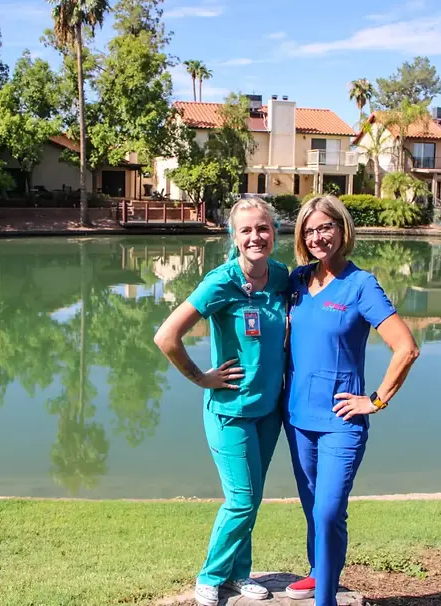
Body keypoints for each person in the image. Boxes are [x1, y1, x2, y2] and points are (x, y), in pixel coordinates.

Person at [282, 195, 420, 605]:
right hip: (296, 417)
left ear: (343, 230)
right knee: (312, 507)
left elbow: (406, 348)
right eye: (309, 230)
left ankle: (326, 598)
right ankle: (317, 571)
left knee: (328, 511)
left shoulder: (361, 285)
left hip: (341, 420)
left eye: (325, 227)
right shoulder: (296, 280)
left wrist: (375, 400)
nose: (317, 236)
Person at [153, 198, 288, 606]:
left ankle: (238, 574)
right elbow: (166, 337)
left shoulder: (281, 277)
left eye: (262, 228)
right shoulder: (220, 281)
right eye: (246, 230)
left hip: (269, 412)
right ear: (233, 236)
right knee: (241, 500)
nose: (255, 237)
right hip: (230, 413)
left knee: (250, 500)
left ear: (274, 233)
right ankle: (210, 576)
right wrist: (201, 378)